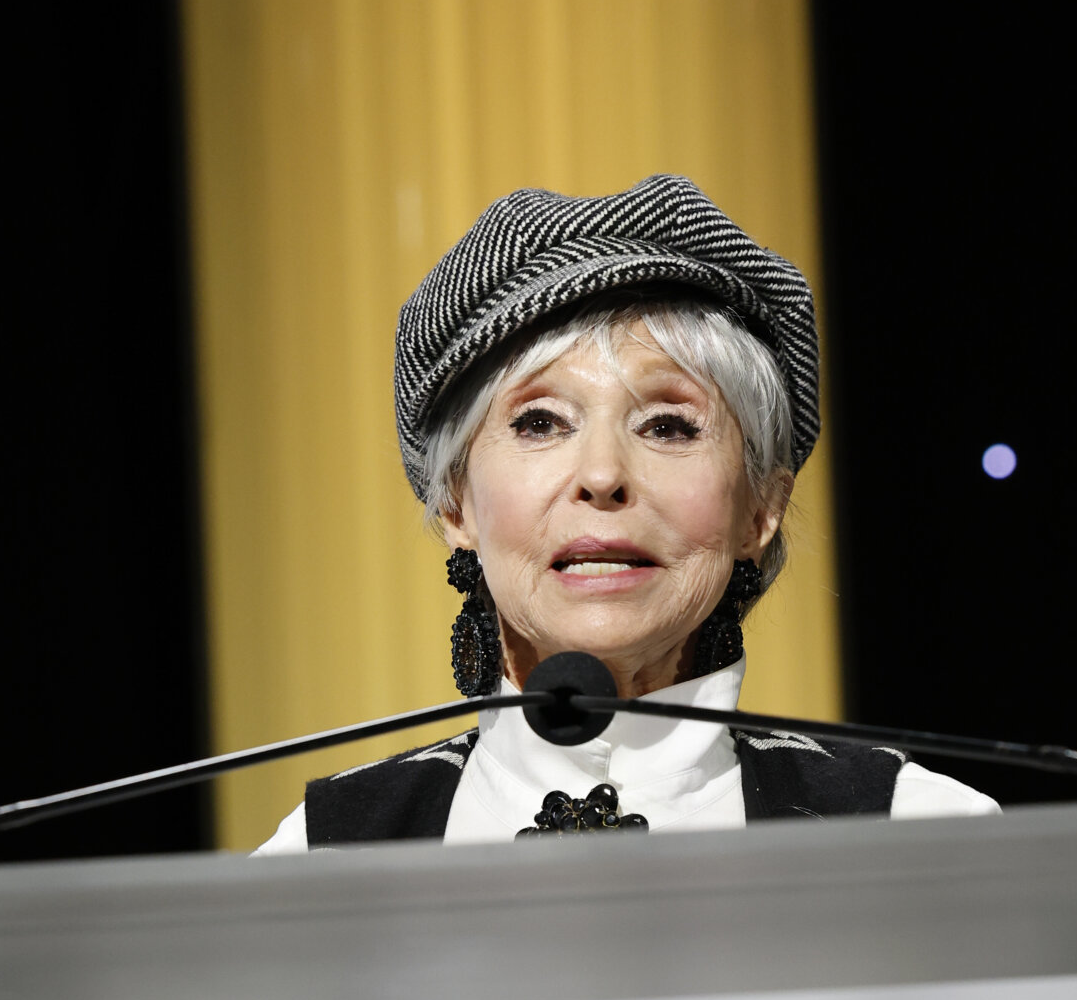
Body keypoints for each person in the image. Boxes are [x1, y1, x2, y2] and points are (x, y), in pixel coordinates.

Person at [257, 175, 995, 849]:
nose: (604, 476)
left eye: (668, 426)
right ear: (455, 501)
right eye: (540, 422)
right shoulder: (321, 855)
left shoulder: (919, 837)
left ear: (761, 510)